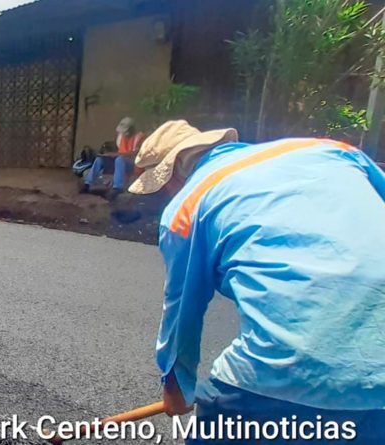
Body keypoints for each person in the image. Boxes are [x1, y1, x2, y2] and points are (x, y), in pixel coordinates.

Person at [128, 120, 385, 443]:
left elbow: (182, 314)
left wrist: (176, 387)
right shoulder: (333, 151)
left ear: (175, 172)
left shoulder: (187, 206)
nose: (166, 195)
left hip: (282, 374)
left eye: (163, 186)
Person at [81, 117, 144, 198]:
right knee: (100, 160)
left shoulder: (140, 137)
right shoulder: (121, 136)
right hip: (119, 161)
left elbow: (136, 153)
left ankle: (118, 187)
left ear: (132, 130)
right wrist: (108, 155)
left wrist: (115, 155)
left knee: (119, 159)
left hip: (134, 164)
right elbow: (117, 150)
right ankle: (87, 184)